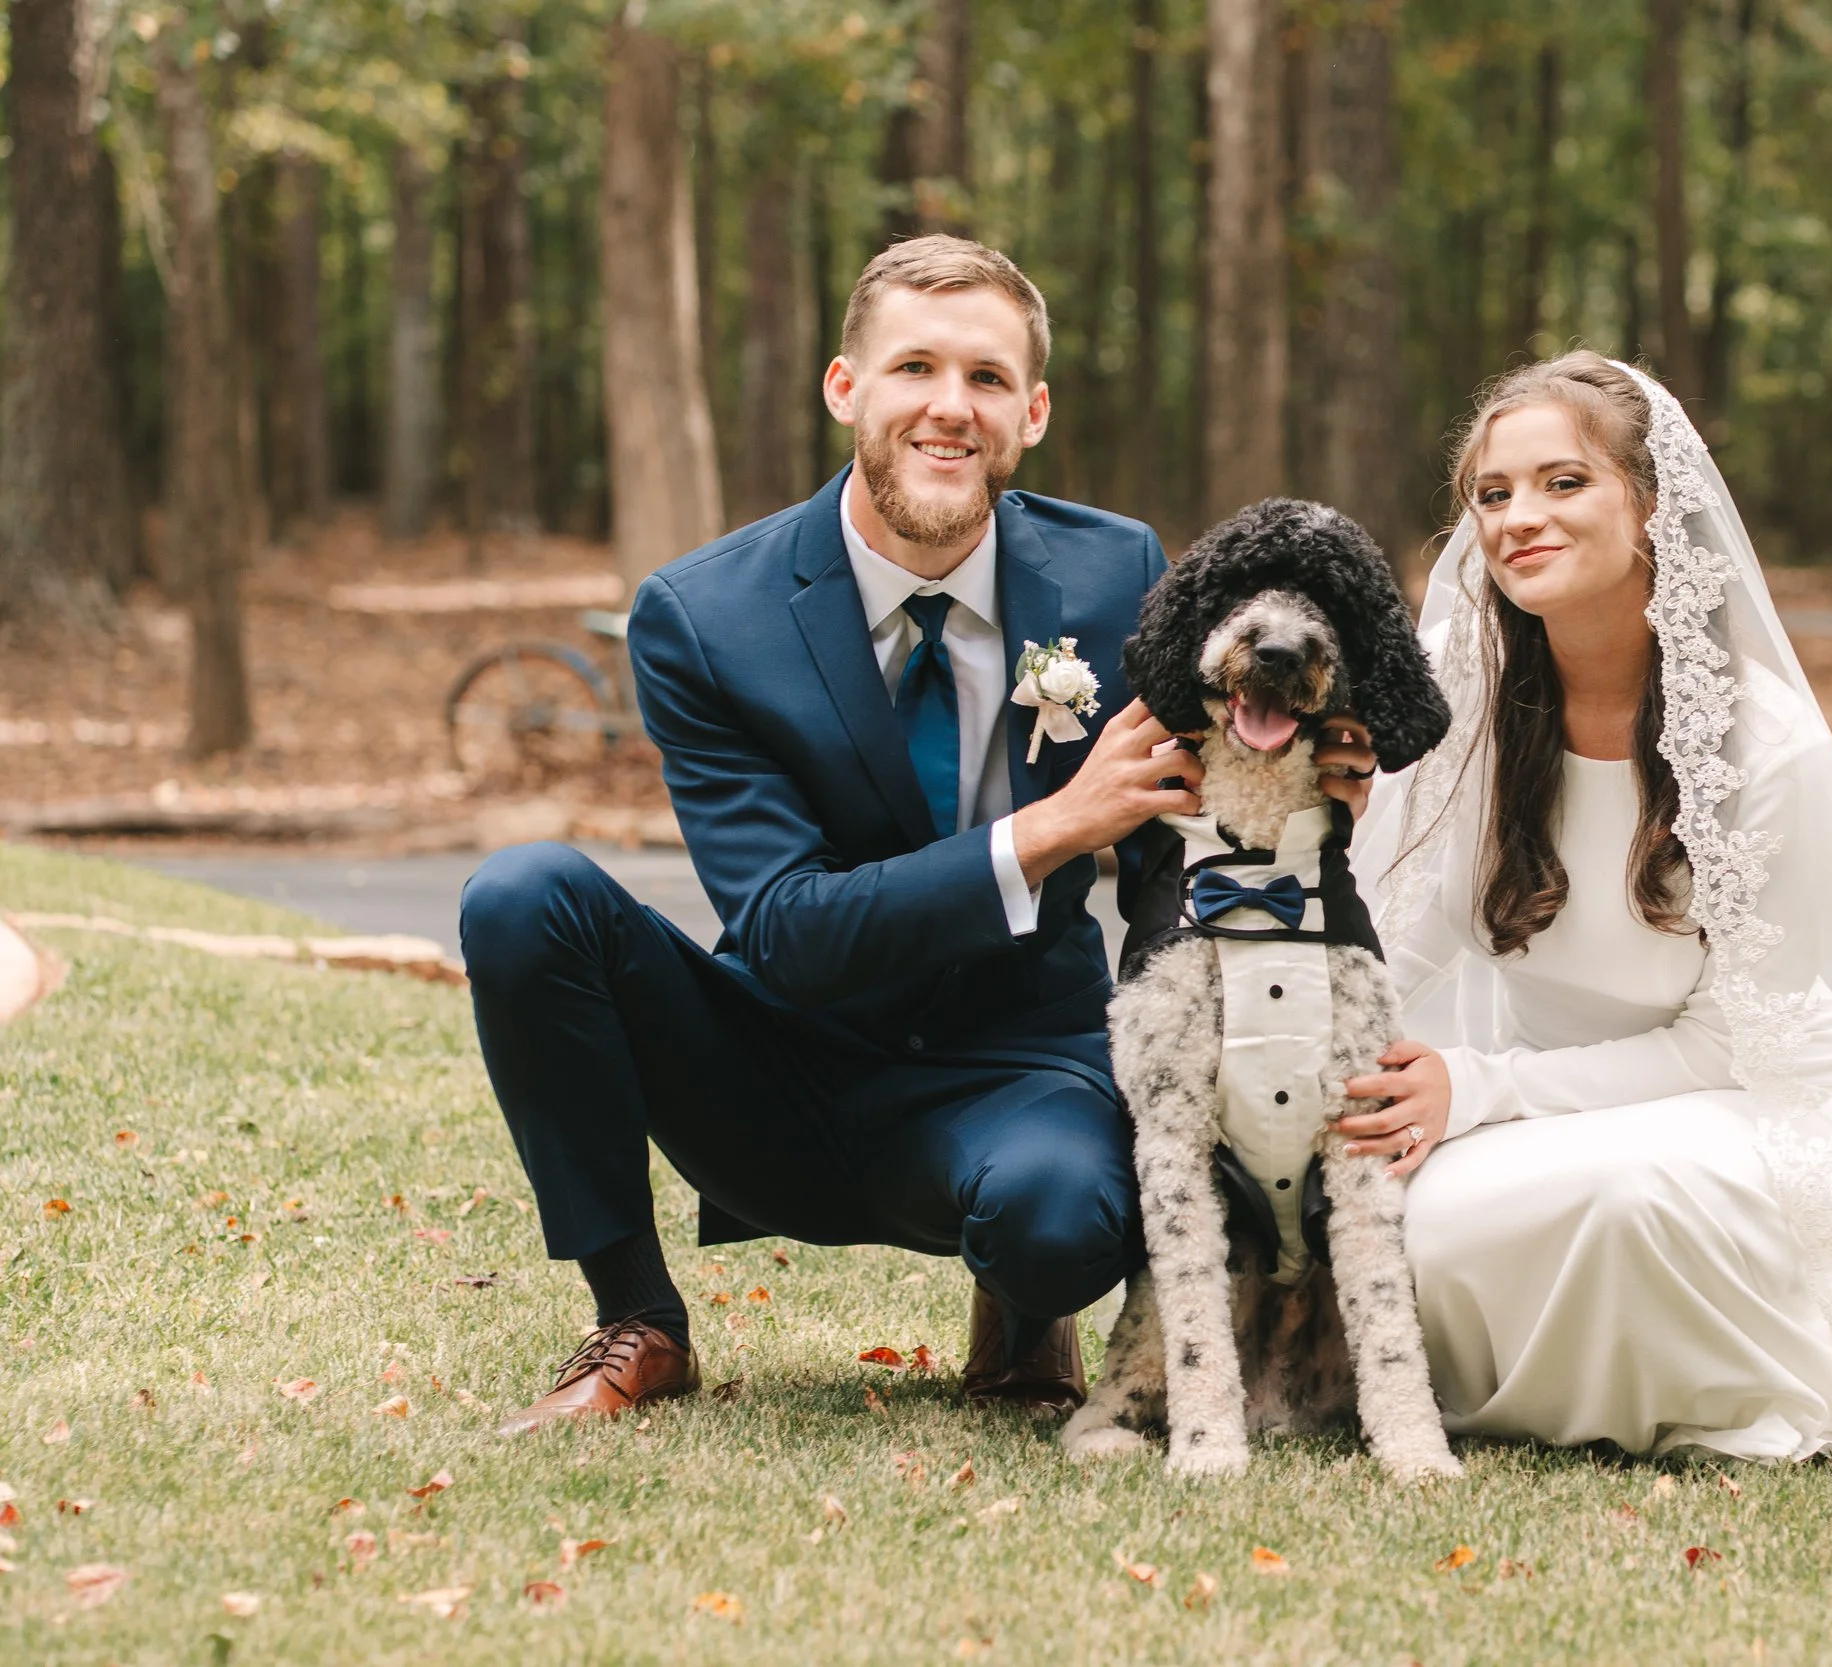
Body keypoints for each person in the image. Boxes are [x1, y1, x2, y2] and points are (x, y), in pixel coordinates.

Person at [461, 234, 1376, 1434]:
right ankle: (638, 1314)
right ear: (848, 388)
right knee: (523, 896)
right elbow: (784, 931)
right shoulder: (704, 614)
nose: (950, 407)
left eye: (988, 379)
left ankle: (1017, 1296)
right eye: (914, 369)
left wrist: (1297, 814)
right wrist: (1050, 829)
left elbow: (1170, 867)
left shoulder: (1117, 574)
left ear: (1032, 412)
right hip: (775, 1059)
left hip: (1018, 1065)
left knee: (1057, 1229)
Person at [1342, 353, 1832, 1466]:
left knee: (1622, 1200)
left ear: (1648, 507)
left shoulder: (1762, 744)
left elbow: (1733, 1042)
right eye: (1492, 494)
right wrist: (1327, 1059)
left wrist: (1479, 1086)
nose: (1517, 518)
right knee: (1402, 1212)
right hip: (1545, 1102)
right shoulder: (1469, 707)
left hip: (1757, 1104)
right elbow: (1401, 932)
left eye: (1561, 483)